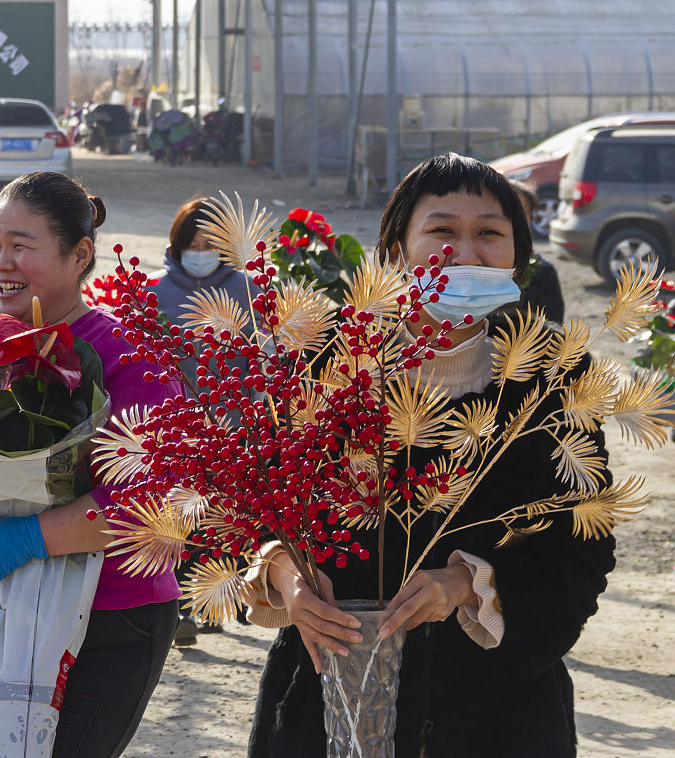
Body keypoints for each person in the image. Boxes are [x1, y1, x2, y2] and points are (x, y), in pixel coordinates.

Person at [245, 153, 615, 757]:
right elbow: (255, 502)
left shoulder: (555, 374)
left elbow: (585, 541)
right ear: (396, 250)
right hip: (330, 695)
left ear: (517, 261)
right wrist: (286, 581)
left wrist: (469, 585)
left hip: (497, 714)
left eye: (490, 234)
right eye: (442, 231)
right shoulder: (327, 359)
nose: (465, 253)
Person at [0, 171, 182, 758]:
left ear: (81, 255)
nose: (0, 262)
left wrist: (27, 538)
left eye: (22, 245)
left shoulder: (130, 359)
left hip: (110, 619)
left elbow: (150, 507)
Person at [147, 197, 259, 646]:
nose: (200, 251)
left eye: (209, 243)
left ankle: (212, 604)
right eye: (192, 243)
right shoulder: (156, 292)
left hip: (232, 428)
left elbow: (261, 358)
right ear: (176, 245)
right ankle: (181, 609)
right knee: (177, 518)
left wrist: (255, 415)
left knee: (221, 520)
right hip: (175, 429)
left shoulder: (246, 289)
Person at [507, 179, 566, 322]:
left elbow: (554, 333)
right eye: (507, 213)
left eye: (520, 215)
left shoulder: (543, 273)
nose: (512, 223)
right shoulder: (473, 267)